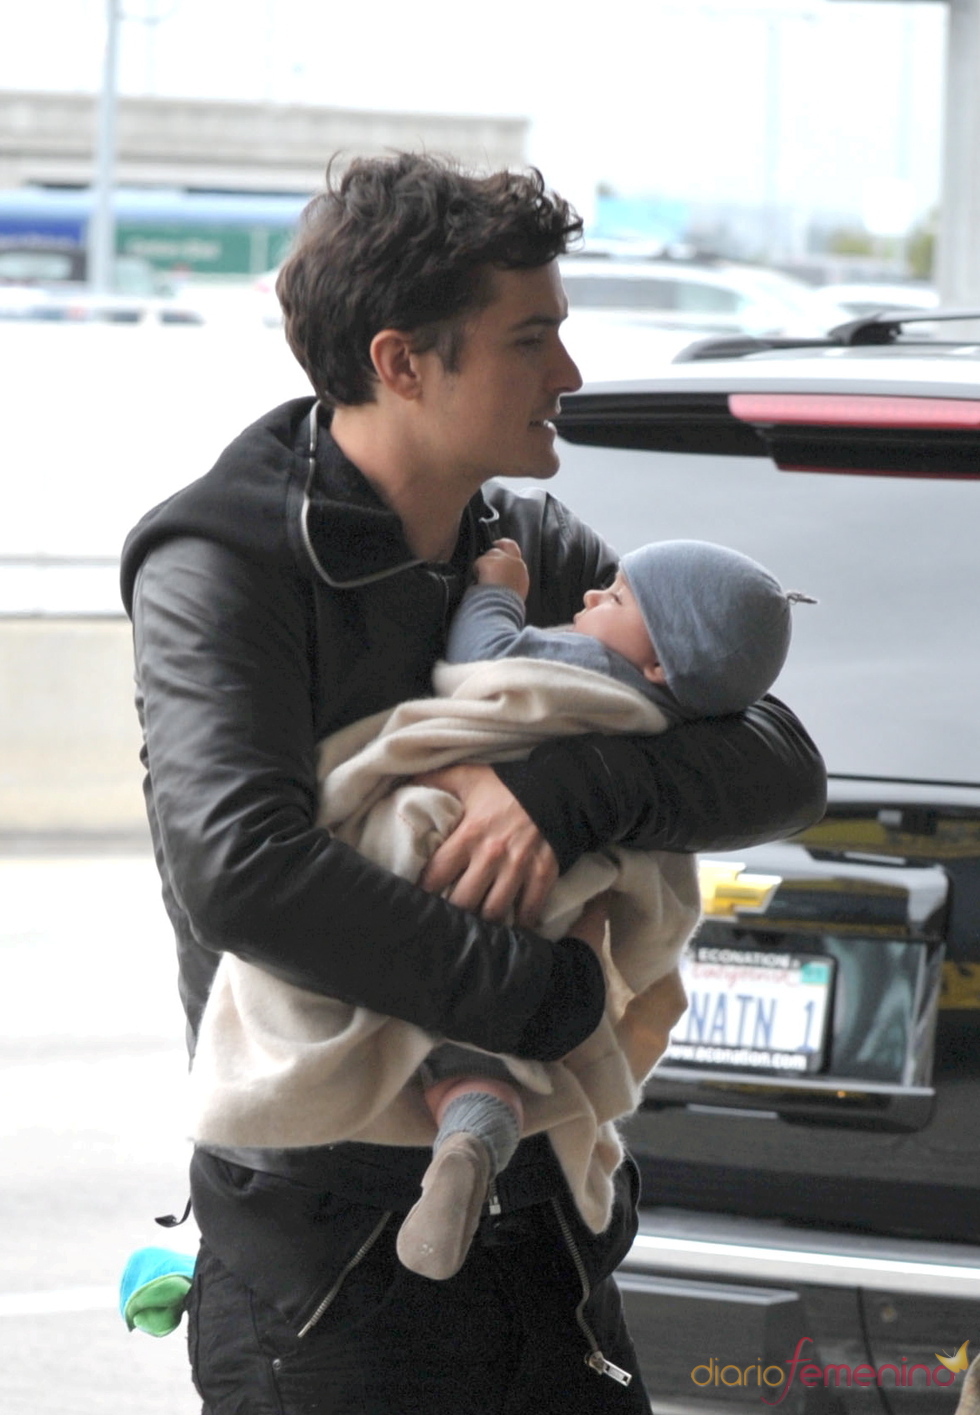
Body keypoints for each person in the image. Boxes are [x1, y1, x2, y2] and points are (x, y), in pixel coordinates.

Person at [119, 152, 826, 1414]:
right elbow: (242, 868)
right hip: (326, 1267)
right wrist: (542, 999)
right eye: (532, 337)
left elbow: (777, 759)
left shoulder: (528, 546)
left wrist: (562, 796)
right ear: (400, 361)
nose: (565, 372)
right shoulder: (221, 557)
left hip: (545, 1234)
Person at [186, 532, 815, 1291]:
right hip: (555, 909)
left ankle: (446, 1119)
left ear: (657, 666)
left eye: (612, 597)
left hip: (449, 866)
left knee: (396, 859)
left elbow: (488, 660)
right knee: (487, 1052)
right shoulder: (679, 707)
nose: (588, 596)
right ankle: (475, 1127)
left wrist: (499, 589)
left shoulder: (564, 623)